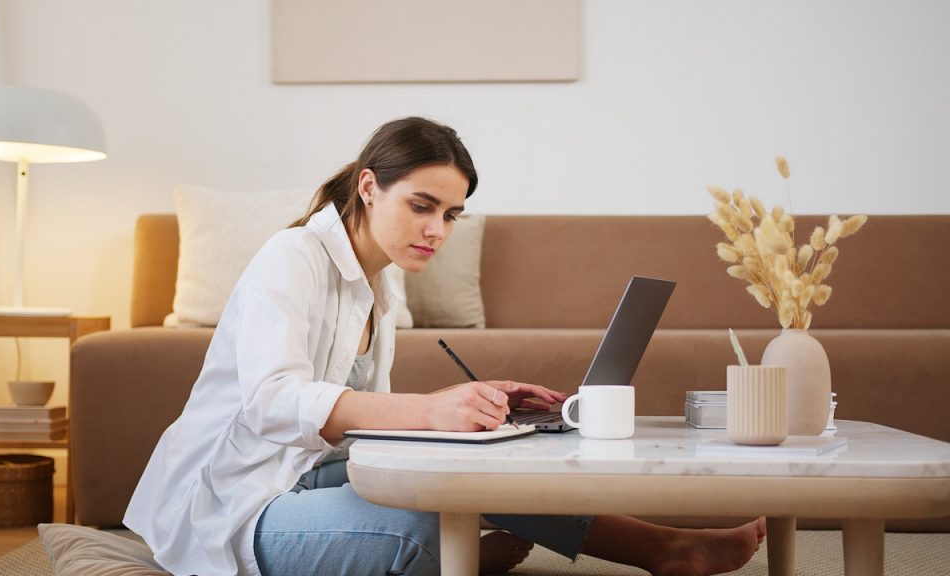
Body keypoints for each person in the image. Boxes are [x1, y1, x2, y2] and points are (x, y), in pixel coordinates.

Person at [124, 117, 765, 576]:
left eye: (451, 215)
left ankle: (663, 548)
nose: (438, 230)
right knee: (425, 527)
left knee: (482, 463)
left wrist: (464, 407)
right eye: (423, 206)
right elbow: (272, 402)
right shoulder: (292, 257)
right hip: (233, 504)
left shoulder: (382, 282)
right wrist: (432, 412)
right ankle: (460, 558)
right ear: (370, 187)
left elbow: (355, 421)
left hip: (303, 473)